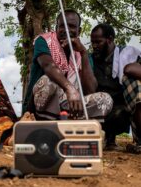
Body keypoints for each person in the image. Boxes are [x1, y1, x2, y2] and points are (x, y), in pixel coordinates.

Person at [22, 9, 113, 121]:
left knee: (105, 99)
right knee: (48, 81)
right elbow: (48, 66)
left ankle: (68, 121)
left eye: (71, 26)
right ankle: (49, 125)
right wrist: (70, 89)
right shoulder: (43, 41)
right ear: (56, 28)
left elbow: (90, 90)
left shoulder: (83, 53)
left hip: (70, 105)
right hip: (44, 105)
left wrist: (83, 53)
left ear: (79, 31)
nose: (66, 30)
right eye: (62, 26)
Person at [90, 23, 141, 152]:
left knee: (134, 84)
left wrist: (128, 69)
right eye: (92, 42)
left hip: (123, 108)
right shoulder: (91, 60)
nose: (94, 46)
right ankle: (109, 138)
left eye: (98, 42)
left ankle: (139, 141)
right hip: (99, 108)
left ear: (110, 39)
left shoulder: (127, 55)